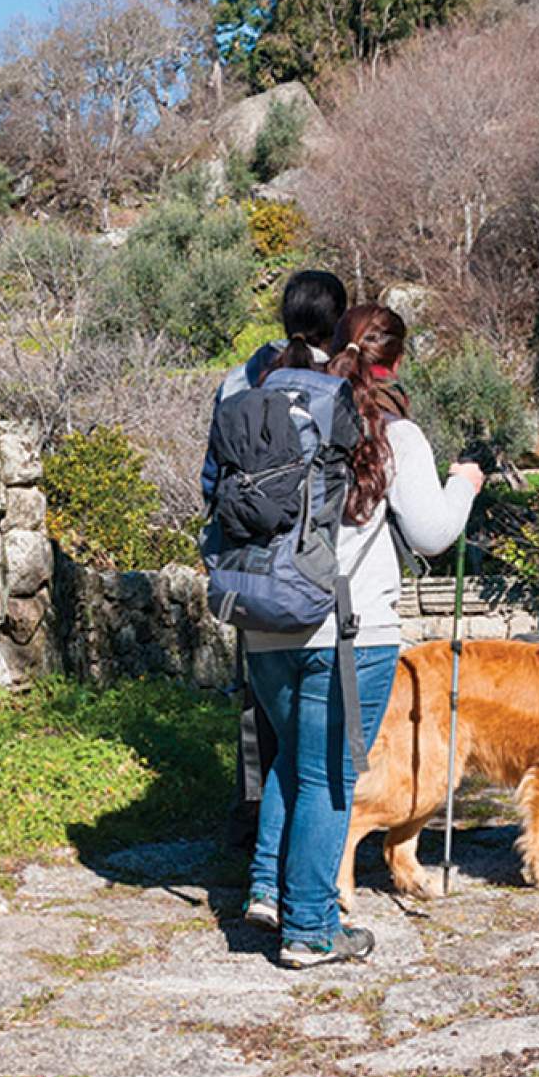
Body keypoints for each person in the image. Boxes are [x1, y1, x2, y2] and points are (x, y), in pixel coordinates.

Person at [242, 303, 482, 967]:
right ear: (395, 361)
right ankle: (312, 929)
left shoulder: (274, 406)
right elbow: (433, 533)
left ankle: (269, 889)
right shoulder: (393, 430)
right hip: (349, 630)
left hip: (264, 621)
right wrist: (464, 483)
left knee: (293, 760)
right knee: (330, 778)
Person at [205, 271, 348, 850]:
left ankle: (255, 825)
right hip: (310, 577)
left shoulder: (239, 379)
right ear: (336, 327)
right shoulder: (331, 387)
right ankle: (305, 847)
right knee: (316, 722)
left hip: (245, 569)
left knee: (258, 701)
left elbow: (212, 480)